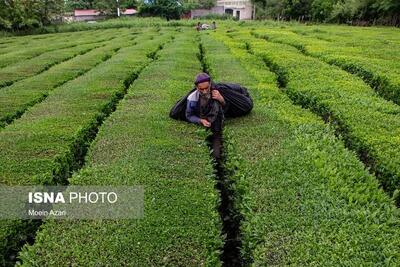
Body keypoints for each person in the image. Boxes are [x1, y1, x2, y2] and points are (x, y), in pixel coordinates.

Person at [186, 73, 225, 160]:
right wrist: (200, 120)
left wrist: (221, 99)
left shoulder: (217, 93)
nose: (204, 91)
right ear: (196, 87)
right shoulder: (192, 99)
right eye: (201, 89)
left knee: (216, 155)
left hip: (216, 127)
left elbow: (226, 108)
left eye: (206, 88)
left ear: (210, 84)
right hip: (202, 126)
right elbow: (189, 115)